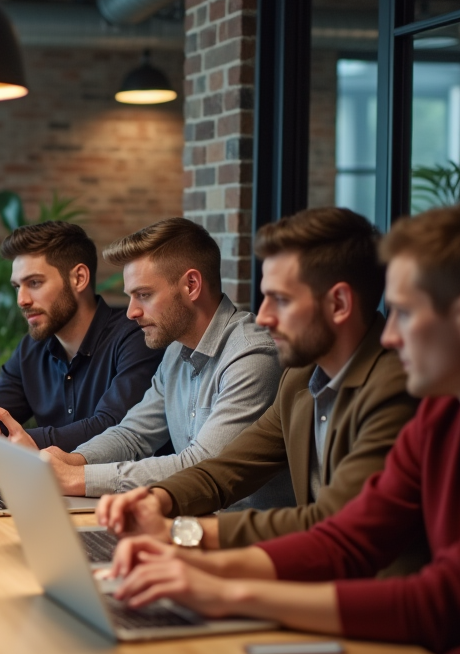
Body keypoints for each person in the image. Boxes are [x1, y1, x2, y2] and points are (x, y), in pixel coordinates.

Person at [107, 201, 460, 654]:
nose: (391, 335)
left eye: (403, 312)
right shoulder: (437, 413)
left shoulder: (405, 391)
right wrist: (174, 528)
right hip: (397, 641)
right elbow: (342, 536)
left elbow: (436, 600)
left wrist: (220, 585)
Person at [95, 207, 421, 555]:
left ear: (339, 303)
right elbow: (227, 468)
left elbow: (332, 523)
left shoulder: (395, 388)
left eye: (280, 299)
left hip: (364, 594)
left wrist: (183, 532)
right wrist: (157, 499)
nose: (263, 316)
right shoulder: (299, 379)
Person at [0, 217, 292, 510]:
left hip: (243, 542)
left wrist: (76, 477)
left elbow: (203, 464)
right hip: (186, 526)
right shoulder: (175, 352)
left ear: (191, 285)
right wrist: (68, 460)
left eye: (143, 295)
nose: (131, 312)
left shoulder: (251, 355)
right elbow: (132, 434)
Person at [0, 220, 163, 462]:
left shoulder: (136, 337)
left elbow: (112, 427)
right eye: (17, 286)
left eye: (34, 283)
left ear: (79, 278)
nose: (21, 299)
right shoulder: (31, 349)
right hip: (54, 490)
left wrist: (11, 444)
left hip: (122, 495)